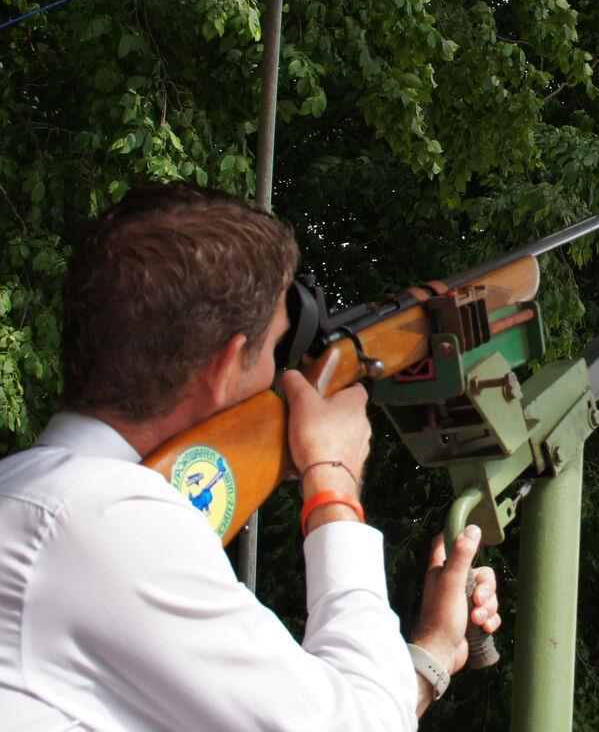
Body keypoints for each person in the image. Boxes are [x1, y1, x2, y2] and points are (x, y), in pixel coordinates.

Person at [0, 182, 500, 730]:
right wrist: (332, 481)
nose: (279, 377)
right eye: (275, 350)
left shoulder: (41, 501)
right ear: (224, 367)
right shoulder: (105, 523)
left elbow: (341, 714)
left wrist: (433, 651)